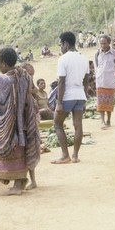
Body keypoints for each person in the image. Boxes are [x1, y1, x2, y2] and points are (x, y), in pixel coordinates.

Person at [0, 47, 41, 194]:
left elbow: (0, 103)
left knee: (10, 150)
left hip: (11, 123)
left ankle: (18, 185)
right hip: (25, 120)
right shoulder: (23, 74)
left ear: (4, 64)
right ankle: (20, 181)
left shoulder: (3, 79)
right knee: (22, 149)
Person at [51, 31, 89, 164]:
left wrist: (59, 103)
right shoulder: (83, 58)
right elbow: (86, 80)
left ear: (66, 44)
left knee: (57, 124)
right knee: (78, 126)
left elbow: (61, 82)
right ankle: (75, 156)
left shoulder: (63, 59)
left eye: (60, 44)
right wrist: (85, 98)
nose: (60, 48)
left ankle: (65, 154)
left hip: (68, 95)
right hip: (80, 95)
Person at [94, 34, 115, 129]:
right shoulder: (97, 53)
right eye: (101, 43)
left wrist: (112, 73)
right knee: (100, 103)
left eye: (105, 43)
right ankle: (102, 121)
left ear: (109, 43)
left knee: (109, 102)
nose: (103, 45)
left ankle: (108, 120)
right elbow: (96, 66)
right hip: (100, 81)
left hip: (110, 82)